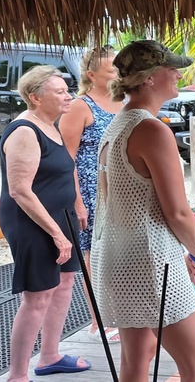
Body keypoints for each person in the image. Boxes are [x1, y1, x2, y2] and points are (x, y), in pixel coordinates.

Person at [90, 40, 195, 382]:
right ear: (149, 78)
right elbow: (177, 212)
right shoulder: (151, 129)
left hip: (117, 256)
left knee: (138, 356)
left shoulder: (118, 124)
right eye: (171, 68)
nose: (177, 74)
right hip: (149, 260)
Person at [0, 65, 91, 381]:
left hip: (61, 216)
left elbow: (68, 167)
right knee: (37, 296)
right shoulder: (25, 130)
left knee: (65, 283)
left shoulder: (51, 124)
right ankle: (18, 375)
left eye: (68, 90)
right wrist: (56, 234)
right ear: (35, 97)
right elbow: (20, 190)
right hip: (32, 222)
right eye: (60, 91)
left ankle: (50, 356)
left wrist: (77, 204)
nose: (69, 96)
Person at [60, 45, 123, 343]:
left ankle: (119, 314)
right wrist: (77, 202)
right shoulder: (79, 106)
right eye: (112, 69)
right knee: (93, 255)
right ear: (92, 75)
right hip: (90, 190)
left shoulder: (125, 102)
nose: (118, 74)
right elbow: (66, 158)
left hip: (120, 191)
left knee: (118, 254)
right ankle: (99, 320)